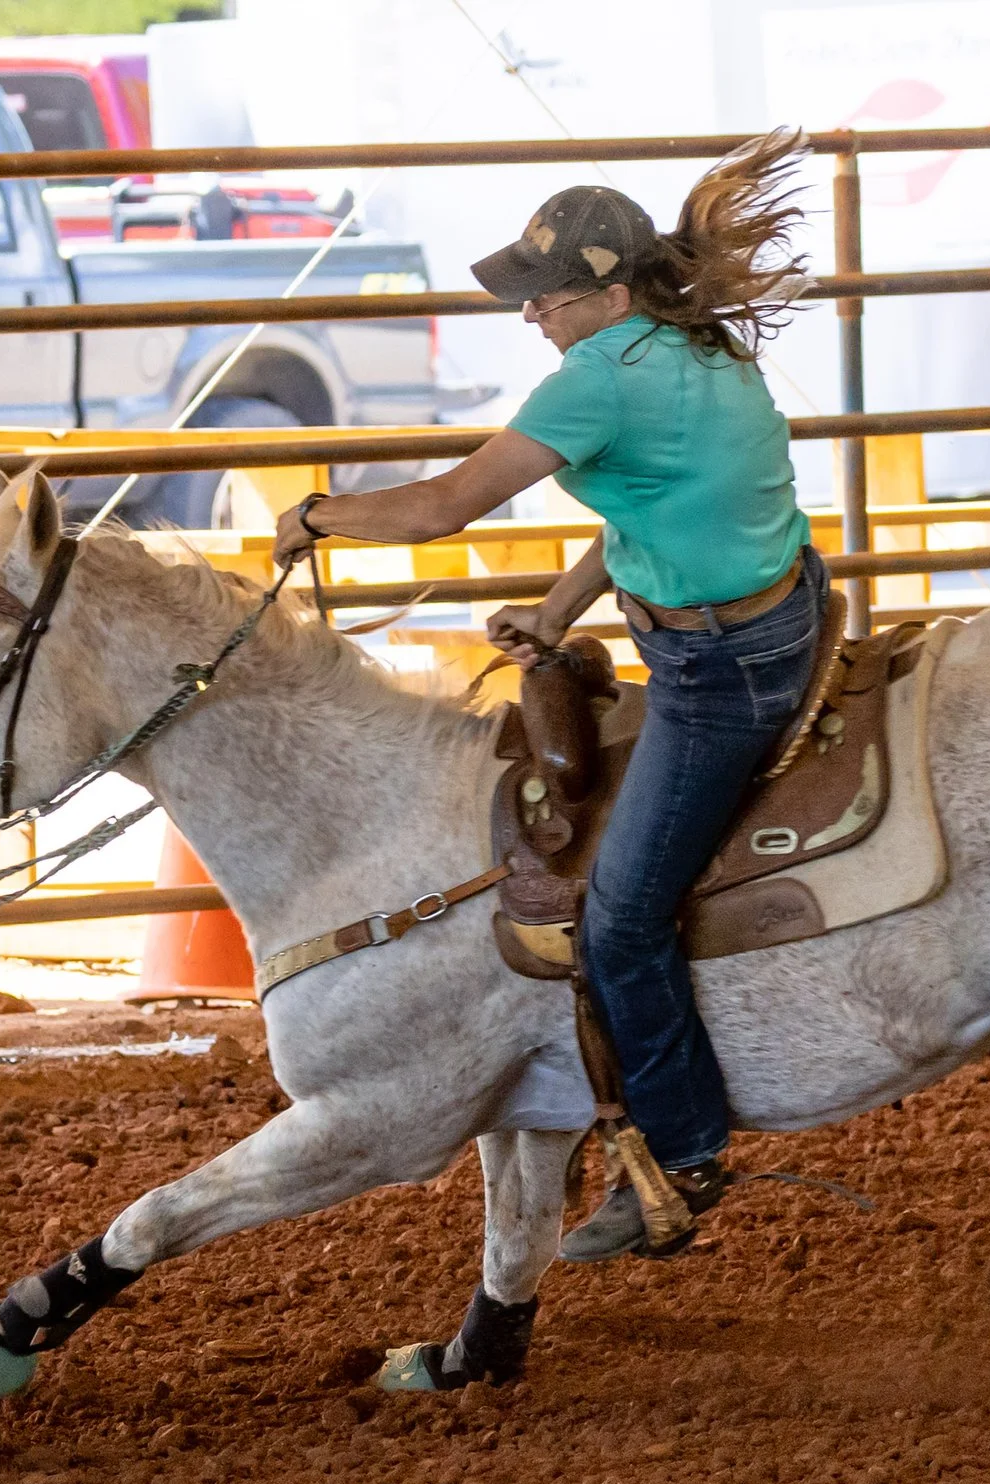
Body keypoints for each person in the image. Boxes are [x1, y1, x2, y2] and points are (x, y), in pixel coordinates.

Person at [270, 132, 823, 1262]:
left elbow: (440, 509)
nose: (534, 316)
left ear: (610, 291)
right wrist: (566, 608)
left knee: (618, 917)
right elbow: (653, 507)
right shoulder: (698, 349)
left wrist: (320, 514)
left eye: (549, 296)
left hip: (722, 669)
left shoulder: (599, 378)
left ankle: (685, 1154)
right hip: (777, 606)